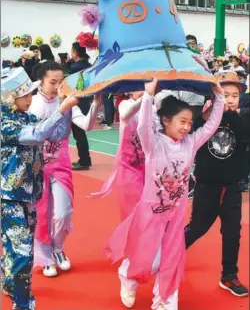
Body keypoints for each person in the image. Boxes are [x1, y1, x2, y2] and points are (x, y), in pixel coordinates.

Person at [106, 78, 225, 310]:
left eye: (190, 123)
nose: (186, 127)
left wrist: (219, 97)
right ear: (166, 120)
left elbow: (210, 127)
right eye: (182, 121)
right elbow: (143, 127)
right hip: (150, 214)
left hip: (175, 215)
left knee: (171, 259)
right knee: (150, 261)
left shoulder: (189, 144)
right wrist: (148, 96)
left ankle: (165, 301)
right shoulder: (154, 144)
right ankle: (127, 276)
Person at [1, 66, 79, 310]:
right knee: (23, 252)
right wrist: (63, 108)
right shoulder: (5, 122)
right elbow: (36, 135)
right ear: (10, 97)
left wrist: (67, 106)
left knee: (16, 247)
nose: (30, 98)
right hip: (9, 197)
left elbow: (56, 132)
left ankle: (8, 282)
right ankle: (23, 304)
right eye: (25, 95)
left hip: (30, 195)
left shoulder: (26, 117)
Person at [29, 61, 101, 277]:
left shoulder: (69, 102)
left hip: (60, 165)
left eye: (61, 81)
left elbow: (87, 125)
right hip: (36, 166)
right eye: (53, 82)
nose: (58, 86)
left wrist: (97, 101)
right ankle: (45, 257)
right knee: (41, 214)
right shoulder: (31, 104)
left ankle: (58, 248)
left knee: (62, 213)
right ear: (41, 81)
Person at [185, 71, 249, 297]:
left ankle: (229, 276)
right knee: (197, 228)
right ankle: (169, 255)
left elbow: (244, 135)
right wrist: (210, 113)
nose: (230, 99)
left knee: (232, 233)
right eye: (225, 94)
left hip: (231, 188)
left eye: (234, 95)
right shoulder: (204, 118)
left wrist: (229, 114)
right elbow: (188, 134)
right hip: (206, 187)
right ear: (213, 95)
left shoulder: (241, 120)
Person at [89, 91, 145, 220]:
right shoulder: (125, 104)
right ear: (129, 92)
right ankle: (130, 231)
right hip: (128, 162)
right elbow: (126, 115)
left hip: (147, 163)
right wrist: (146, 97)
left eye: (144, 87)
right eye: (139, 88)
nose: (142, 91)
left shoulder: (152, 108)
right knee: (133, 201)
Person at [66, 42, 93, 170]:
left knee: (78, 134)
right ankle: (85, 159)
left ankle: (84, 160)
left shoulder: (74, 67)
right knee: (80, 133)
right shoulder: (88, 65)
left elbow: (69, 83)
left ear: (75, 52)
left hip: (77, 101)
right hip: (86, 100)